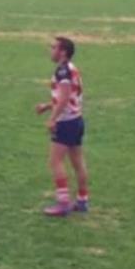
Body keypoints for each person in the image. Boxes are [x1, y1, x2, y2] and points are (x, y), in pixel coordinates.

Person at [36, 36, 89, 216]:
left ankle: (63, 203)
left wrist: (52, 118)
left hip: (66, 122)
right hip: (77, 120)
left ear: (63, 52)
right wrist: (47, 105)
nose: (51, 51)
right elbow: (68, 97)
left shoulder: (62, 72)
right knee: (78, 163)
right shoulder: (72, 69)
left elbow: (65, 98)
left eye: (53, 48)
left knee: (55, 161)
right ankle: (82, 201)